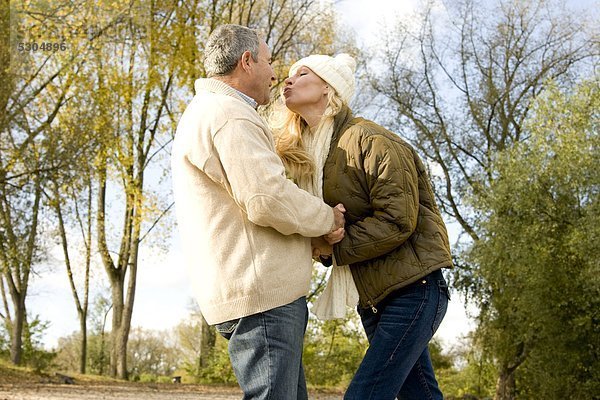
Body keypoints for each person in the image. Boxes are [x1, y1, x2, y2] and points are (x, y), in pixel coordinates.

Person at [171, 25, 345, 400]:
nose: (273, 74)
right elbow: (267, 197)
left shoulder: (210, 112)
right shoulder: (229, 114)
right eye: (268, 62)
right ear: (247, 62)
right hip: (262, 296)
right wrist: (327, 218)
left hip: (254, 294)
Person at [273, 53, 453, 399]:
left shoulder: (369, 139)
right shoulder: (312, 156)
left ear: (328, 88)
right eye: (288, 75)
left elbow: (398, 219)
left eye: (302, 73)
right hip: (372, 298)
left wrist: (333, 248)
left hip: (413, 290)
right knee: (421, 396)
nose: (288, 80)